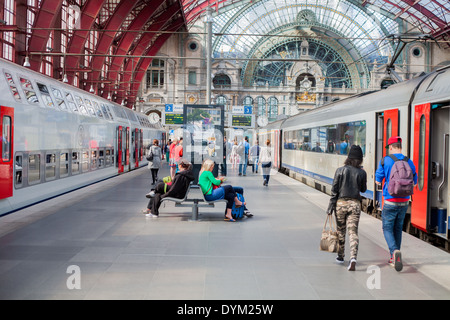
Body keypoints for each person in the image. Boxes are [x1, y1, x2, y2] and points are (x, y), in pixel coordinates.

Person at [375, 136, 417, 272]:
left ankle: (394, 252)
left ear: (391, 147)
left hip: (390, 200)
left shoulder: (385, 161)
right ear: (400, 146)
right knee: (398, 229)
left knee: (387, 228)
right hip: (404, 201)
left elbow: (377, 181)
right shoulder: (409, 161)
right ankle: (394, 257)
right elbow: (415, 182)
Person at [327, 145, 367, 271]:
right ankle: (353, 257)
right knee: (353, 232)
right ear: (360, 159)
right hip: (355, 204)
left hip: (340, 204)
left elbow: (334, 190)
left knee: (341, 231)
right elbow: (363, 189)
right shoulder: (361, 172)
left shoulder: (340, 170)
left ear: (348, 157)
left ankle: (340, 256)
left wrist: (330, 206)